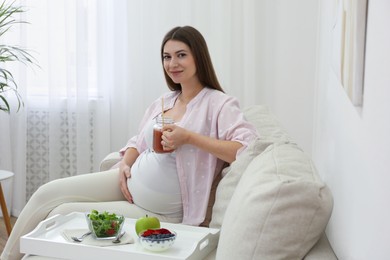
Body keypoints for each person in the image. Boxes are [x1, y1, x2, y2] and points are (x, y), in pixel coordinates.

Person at [1, 26, 258, 260]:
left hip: (158, 211)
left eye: (181, 55)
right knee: (47, 193)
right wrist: (126, 162)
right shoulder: (166, 101)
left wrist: (189, 137)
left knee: (62, 212)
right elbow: (138, 141)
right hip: (126, 181)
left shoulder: (219, 104)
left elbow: (246, 148)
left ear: (198, 57)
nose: (172, 64)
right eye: (167, 57)